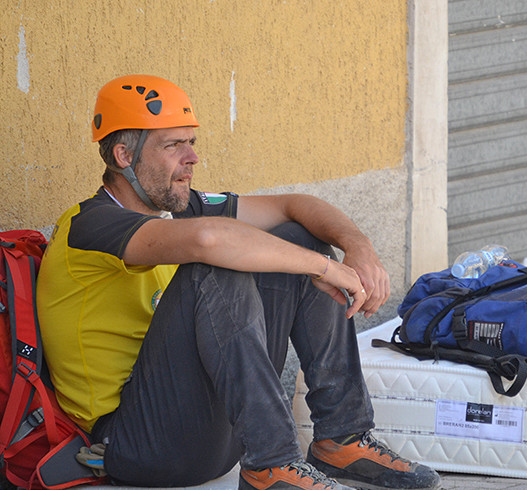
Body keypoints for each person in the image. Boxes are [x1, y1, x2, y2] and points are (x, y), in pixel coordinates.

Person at [36, 74, 441, 490]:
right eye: (173, 145)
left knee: (299, 236)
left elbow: (296, 206)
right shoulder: (90, 225)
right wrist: (323, 269)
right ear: (123, 155)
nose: (191, 157)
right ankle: (272, 463)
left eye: (192, 142)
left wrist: (358, 249)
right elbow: (210, 240)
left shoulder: (175, 207)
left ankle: (342, 440)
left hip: (209, 429)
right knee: (214, 265)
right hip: (137, 443)